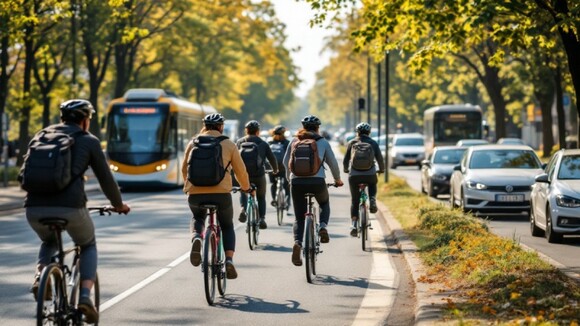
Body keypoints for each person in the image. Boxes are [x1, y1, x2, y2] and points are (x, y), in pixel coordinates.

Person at [24, 99, 131, 324]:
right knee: (87, 244)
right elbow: (106, 179)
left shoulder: (41, 136)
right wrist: (118, 204)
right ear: (84, 120)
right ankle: (84, 298)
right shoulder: (88, 141)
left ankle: (40, 276)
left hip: (33, 208)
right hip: (70, 207)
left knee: (49, 241)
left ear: (62, 118)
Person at [183, 113, 251, 280]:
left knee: (198, 217)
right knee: (227, 225)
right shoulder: (228, 144)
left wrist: (189, 187)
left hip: (195, 194)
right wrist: (246, 188)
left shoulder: (193, 143)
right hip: (221, 194)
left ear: (205, 126)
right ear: (221, 126)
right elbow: (241, 172)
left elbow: (185, 169)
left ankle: (197, 237)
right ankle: (228, 260)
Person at [283, 115, 343, 266]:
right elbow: (333, 163)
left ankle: (297, 242)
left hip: (297, 183)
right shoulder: (322, 142)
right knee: (323, 203)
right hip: (317, 182)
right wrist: (337, 179)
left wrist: (290, 179)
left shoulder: (294, 141)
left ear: (303, 127)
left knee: (299, 218)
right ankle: (322, 226)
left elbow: (285, 163)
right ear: (318, 128)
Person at [343, 122, 385, 237]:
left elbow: (346, 159)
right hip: (370, 174)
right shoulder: (373, 143)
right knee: (372, 183)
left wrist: (346, 170)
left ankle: (354, 224)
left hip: (354, 176)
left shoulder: (352, 142)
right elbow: (380, 159)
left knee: (355, 201)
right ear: (369, 132)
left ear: (357, 132)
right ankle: (372, 199)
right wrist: (381, 170)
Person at [236, 120, 278, 229]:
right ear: (258, 131)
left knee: (243, 192)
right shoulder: (263, 143)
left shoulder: (240, 142)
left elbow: (234, 158)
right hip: (259, 175)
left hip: (243, 175)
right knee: (261, 196)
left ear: (246, 130)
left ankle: (243, 209)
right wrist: (275, 170)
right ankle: (262, 218)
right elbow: (272, 158)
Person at [267, 125, 291, 208]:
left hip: (272, 168)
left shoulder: (270, 142)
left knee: (273, 184)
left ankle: (274, 199)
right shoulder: (287, 143)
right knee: (287, 185)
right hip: (284, 167)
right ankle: (287, 201)